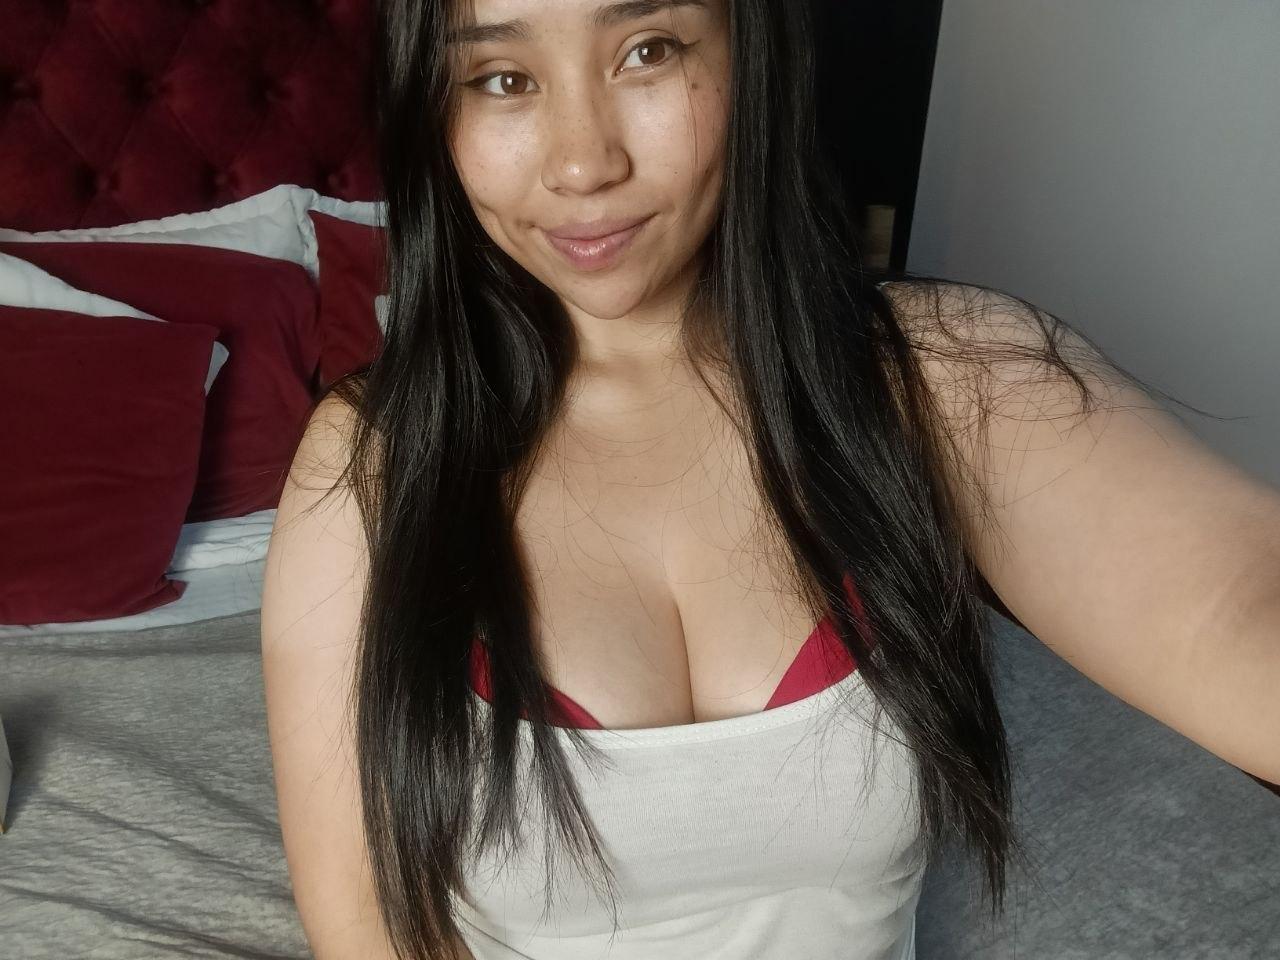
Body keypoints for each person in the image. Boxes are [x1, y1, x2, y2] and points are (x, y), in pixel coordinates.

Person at [259, 1, 1280, 958]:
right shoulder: (372, 460)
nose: (582, 163)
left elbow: (1232, 601)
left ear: (750, 55)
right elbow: (364, 923)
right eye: (501, 79)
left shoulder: (941, 378)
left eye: (647, 51)